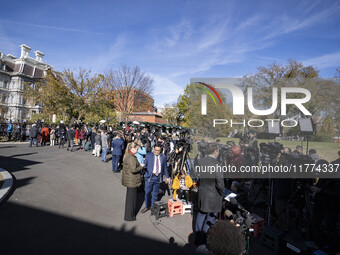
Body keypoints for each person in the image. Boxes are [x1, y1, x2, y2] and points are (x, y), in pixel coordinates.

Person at [195, 143, 225, 245]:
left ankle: (197, 237)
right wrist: (222, 193)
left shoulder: (201, 161)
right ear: (215, 151)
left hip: (202, 193)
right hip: (213, 196)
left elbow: (197, 175)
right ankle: (204, 239)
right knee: (210, 218)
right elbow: (220, 183)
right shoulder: (217, 165)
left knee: (201, 215)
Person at [141, 143, 170, 213]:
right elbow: (144, 166)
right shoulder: (149, 156)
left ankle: (152, 206)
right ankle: (147, 206)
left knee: (155, 193)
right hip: (149, 177)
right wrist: (142, 168)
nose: (157, 152)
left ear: (161, 150)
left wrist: (167, 177)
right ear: (153, 149)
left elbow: (165, 168)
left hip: (158, 178)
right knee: (147, 192)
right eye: (156, 150)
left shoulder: (163, 157)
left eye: (158, 150)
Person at [121, 142, 145, 221]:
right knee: (131, 200)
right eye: (137, 149)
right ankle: (129, 216)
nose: (137, 150)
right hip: (132, 180)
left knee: (130, 199)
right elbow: (133, 169)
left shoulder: (129, 155)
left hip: (130, 180)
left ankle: (129, 215)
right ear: (132, 148)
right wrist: (141, 166)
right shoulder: (131, 157)